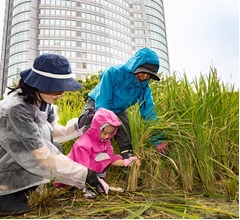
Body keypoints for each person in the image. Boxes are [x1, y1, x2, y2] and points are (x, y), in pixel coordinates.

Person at [0, 54, 105, 216]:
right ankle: (4, 192)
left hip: (21, 157)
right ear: (37, 83)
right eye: (54, 87)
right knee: (47, 153)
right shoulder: (17, 109)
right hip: (5, 160)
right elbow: (41, 155)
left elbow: (51, 132)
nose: (60, 93)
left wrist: (78, 124)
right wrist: (85, 175)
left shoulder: (42, 101)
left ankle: (22, 190)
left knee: (55, 146)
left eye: (62, 87)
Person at [78, 47, 168, 159]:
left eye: (149, 74)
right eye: (143, 72)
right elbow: (103, 102)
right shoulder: (113, 73)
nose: (145, 77)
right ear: (136, 65)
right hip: (98, 102)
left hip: (119, 109)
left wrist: (158, 140)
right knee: (92, 124)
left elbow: (149, 112)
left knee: (125, 129)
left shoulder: (144, 87)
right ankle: (86, 155)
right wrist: (106, 123)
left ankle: (127, 159)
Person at [58, 108, 140, 197]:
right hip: (72, 179)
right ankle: (83, 190)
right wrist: (96, 181)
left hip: (91, 177)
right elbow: (83, 170)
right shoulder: (83, 145)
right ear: (97, 128)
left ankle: (92, 188)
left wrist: (127, 162)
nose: (107, 136)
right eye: (105, 133)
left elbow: (110, 159)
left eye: (110, 133)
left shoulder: (106, 142)